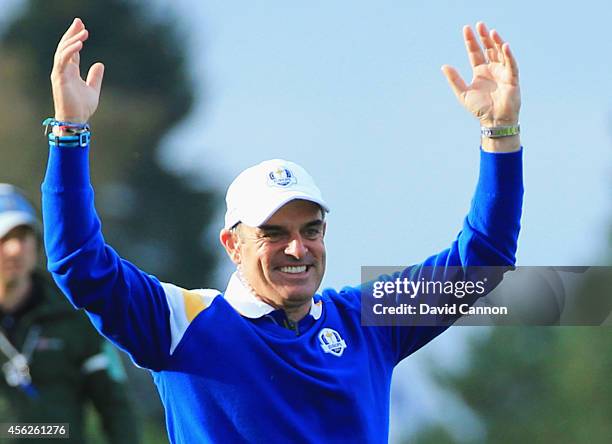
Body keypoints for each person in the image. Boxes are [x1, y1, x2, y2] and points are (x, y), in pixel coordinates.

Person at [43, 17, 523, 443]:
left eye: (311, 229)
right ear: (233, 243)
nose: (299, 248)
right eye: (273, 233)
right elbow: (79, 263)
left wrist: (499, 132)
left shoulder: (365, 321)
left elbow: (483, 258)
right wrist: (69, 131)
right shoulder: (181, 324)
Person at [0, 184, 140, 443]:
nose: (15, 249)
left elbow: (114, 406)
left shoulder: (76, 313)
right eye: (4, 238)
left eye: (22, 236)